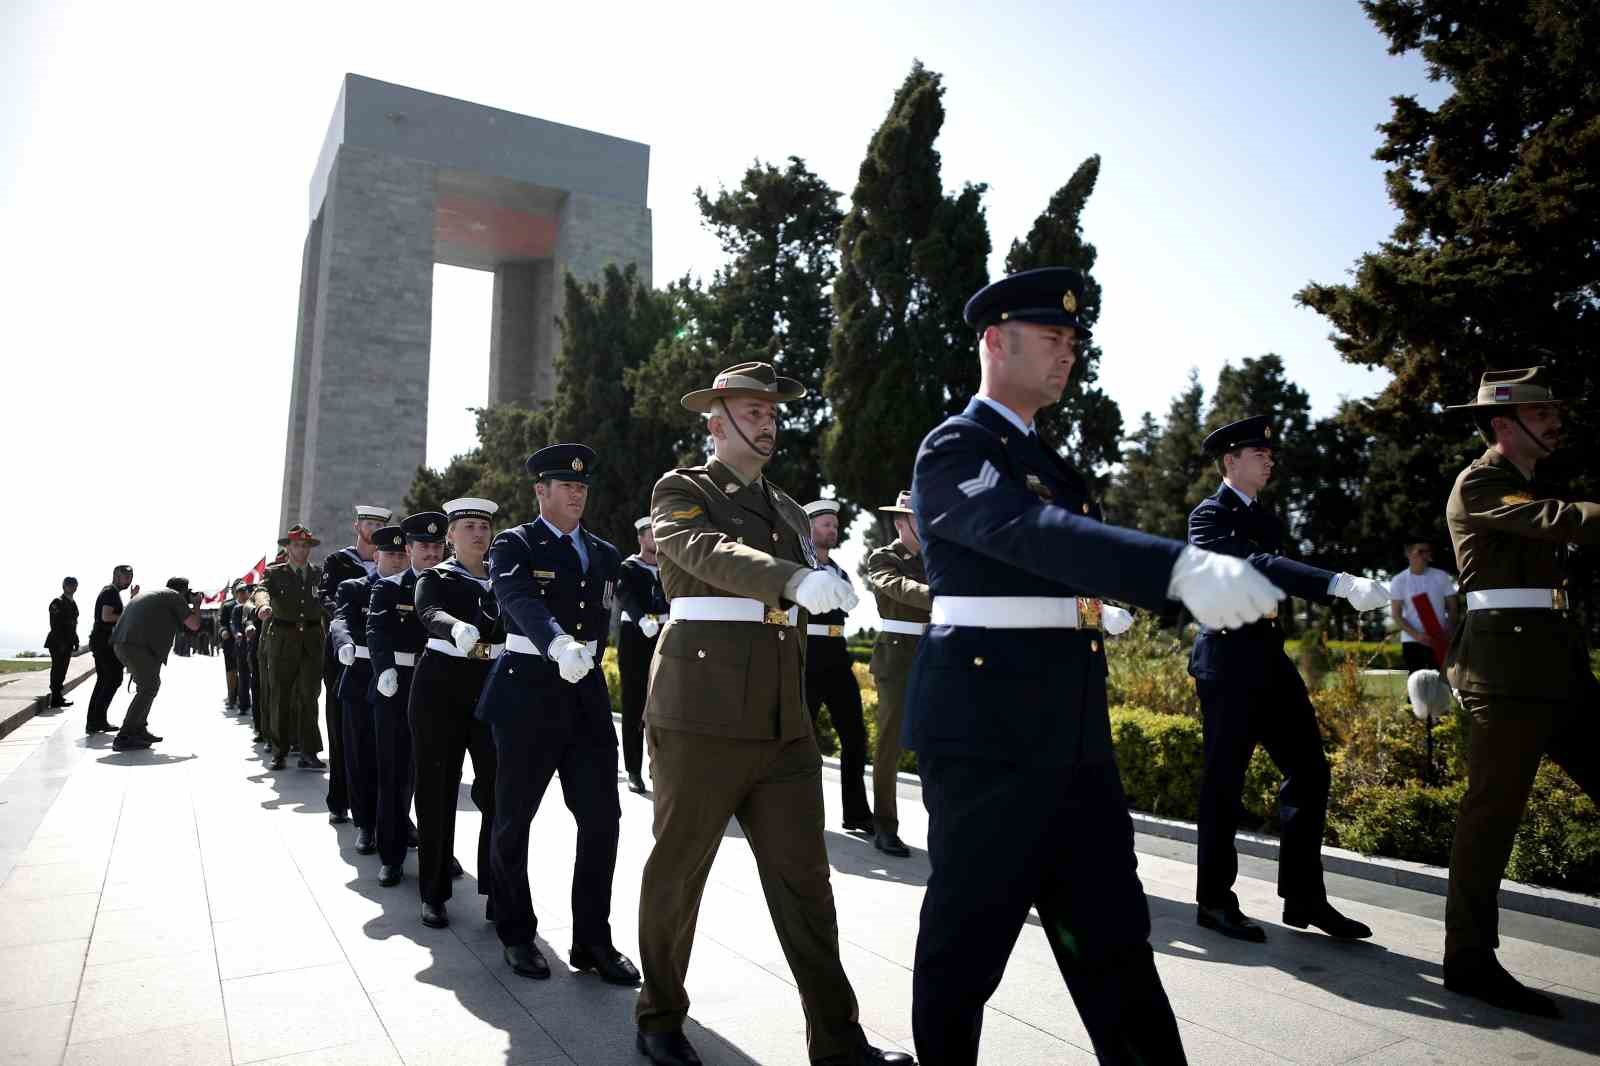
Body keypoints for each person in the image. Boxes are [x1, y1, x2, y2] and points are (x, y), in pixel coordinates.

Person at [906, 269, 1289, 1066]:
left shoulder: (1053, 461)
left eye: (1074, 342)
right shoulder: (956, 447)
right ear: (994, 340)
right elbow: (1028, 533)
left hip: (1074, 739)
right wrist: (1178, 570)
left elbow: (1069, 559)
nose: (1068, 354)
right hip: (989, 740)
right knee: (964, 950)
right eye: (1052, 337)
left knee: (1116, 942)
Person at [636, 364, 910, 1066]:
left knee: (807, 887)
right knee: (679, 871)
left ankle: (839, 1041)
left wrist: (823, 584)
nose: (767, 422)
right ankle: (660, 1015)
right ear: (714, 422)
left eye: (772, 413)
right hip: (700, 713)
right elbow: (704, 552)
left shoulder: (788, 509)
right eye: (751, 411)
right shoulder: (682, 490)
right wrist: (791, 577)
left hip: (783, 721)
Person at [1188, 416, 1390, 945]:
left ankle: (1303, 896)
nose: (1268, 458)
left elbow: (1273, 560)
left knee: (1309, 769)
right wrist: (1336, 583)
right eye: (1258, 452)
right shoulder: (1208, 517)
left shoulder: (1268, 519)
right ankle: (1214, 900)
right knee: (1224, 783)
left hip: (1268, 659)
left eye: (1269, 453)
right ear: (1230, 461)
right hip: (1228, 660)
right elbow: (1256, 565)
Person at [1438, 367, 1600, 1017]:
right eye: (1544, 413)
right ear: (1505, 425)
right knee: (1490, 820)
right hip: (1504, 680)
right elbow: (1556, 520)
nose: (1556, 421)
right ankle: (1469, 961)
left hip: (1556, 672)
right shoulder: (1481, 483)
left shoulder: (1522, 483)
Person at [480, 446, 636, 985]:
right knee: (513, 818)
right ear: (540, 492)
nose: (577, 493)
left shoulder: (605, 552)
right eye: (564, 486)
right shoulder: (515, 544)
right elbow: (519, 599)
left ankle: (592, 939)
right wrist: (556, 642)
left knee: (602, 819)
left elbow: (636, 596)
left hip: (586, 693)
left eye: (582, 487)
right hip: (528, 691)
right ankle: (517, 933)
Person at [411, 497, 502, 929]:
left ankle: (496, 888)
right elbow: (429, 612)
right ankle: (433, 892)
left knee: (497, 791)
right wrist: (454, 627)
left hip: (491, 686)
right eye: (468, 525)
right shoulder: (436, 577)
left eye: (484, 525)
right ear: (450, 535)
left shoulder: (504, 578)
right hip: (441, 687)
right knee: (437, 790)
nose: (478, 533)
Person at [367, 512, 444, 887]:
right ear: (410, 549)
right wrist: (383, 669)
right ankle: (392, 854)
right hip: (397, 686)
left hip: (439, 687)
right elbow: (376, 632)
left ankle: (437, 854)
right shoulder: (390, 588)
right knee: (395, 774)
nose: (431, 553)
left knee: (435, 778)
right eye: (423, 547)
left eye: (436, 546)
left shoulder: (452, 585)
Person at [863, 491, 928, 858]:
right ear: (902, 522)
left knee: (940, 744)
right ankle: (885, 826)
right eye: (919, 518)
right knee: (889, 745)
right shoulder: (884, 557)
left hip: (935, 654)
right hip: (898, 656)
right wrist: (943, 596)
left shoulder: (937, 559)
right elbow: (899, 587)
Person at [802, 499, 873, 833]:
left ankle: (857, 814)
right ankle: (796, 814)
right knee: (800, 740)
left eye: (835, 524)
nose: (833, 529)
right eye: (826, 524)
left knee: (855, 736)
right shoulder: (797, 567)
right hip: (806, 657)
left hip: (837, 656)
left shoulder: (840, 572)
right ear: (809, 527)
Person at [332, 529, 404, 856]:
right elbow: (340, 621)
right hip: (361, 677)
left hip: (400, 682)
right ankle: (365, 824)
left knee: (399, 761)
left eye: (402, 555)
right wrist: (344, 644)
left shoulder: (416, 589)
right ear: (376, 556)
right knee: (360, 755)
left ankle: (399, 821)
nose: (397, 560)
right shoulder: (355, 588)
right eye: (390, 555)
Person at [319, 505, 392, 827]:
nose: (374, 528)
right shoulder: (339, 561)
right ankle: (339, 799)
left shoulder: (393, 558)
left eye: (380, 524)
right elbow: (327, 599)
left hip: (382, 657)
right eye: (370, 523)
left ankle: (376, 806)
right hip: (344, 653)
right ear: (357, 525)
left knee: (377, 734)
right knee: (341, 729)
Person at [253, 526, 327, 771]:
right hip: (283, 639)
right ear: (288, 548)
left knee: (309, 695)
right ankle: (279, 750)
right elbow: (260, 590)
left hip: (312, 639)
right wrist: (263, 607)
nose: (301, 550)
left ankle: (308, 751)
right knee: (281, 696)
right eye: (296, 545)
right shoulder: (276, 573)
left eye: (305, 546)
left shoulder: (318, 573)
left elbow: (328, 598)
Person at [109, 578, 201, 751]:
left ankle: (139, 729)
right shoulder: (174, 597)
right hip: (136, 645)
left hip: (126, 643)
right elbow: (194, 625)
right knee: (148, 687)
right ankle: (125, 735)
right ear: (182, 590)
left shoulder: (160, 595)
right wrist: (196, 604)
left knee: (151, 685)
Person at [616, 514, 668, 794]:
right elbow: (625, 597)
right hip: (636, 636)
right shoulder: (628, 567)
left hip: (665, 634)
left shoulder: (668, 567)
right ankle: (634, 770)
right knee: (634, 705)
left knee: (667, 705)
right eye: (651, 533)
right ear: (641, 538)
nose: (656, 538)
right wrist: (640, 620)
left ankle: (660, 768)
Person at [1389, 539, 1458, 672]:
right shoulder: (1399, 580)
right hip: (1412, 641)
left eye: (1428, 551)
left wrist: (1447, 630)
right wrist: (1417, 635)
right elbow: (1396, 615)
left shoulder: (1441, 576)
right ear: (1408, 553)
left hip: (1439, 639)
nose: (1425, 555)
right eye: (1420, 551)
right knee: (1416, 683)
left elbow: (1453, 608)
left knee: (1442, 682)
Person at [83, 564, 134, 735]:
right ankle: (96, 720)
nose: (129, 580)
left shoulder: (112, 593)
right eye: (125, 577)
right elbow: (107, 616)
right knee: (112, 679)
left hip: (103, 642)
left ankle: (96, 721)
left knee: (105, 680)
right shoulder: (110, 592)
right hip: (104, 643)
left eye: (130, 577)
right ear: (116, 576)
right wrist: (128, 614)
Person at [45, 577, 80, 710]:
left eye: (74, 585)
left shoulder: (73, 603)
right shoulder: (57, 602)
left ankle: (58, 695)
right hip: (57, 642)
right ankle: (55, 697)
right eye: (70, 585)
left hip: (68, 642)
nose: (72, 588)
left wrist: (75, 640)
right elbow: (55, 625)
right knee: (57, 669)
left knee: (62, 670)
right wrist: (61, 643)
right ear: (64, 586)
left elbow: (73, 624)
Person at [227, 582, 254, 721]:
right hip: (242, 648)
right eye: (240, 592)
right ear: (237, 594)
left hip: (255, 647)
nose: (243, 594)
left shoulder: (254, 607)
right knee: (243, 677)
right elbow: (234, 624)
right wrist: (237, 633)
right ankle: (243, 705)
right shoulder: (237, 609)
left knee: (255, 678)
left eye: (245, 592)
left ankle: (256, 706)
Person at [219, 585, 240, 710]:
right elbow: (222, 624)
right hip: (230, 643)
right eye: (238, 590)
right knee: (231, 672)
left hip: (245, 644)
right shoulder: (227, 606)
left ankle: (242, 697)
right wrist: (223, 632)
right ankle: (232, 697)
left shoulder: (251, 605)